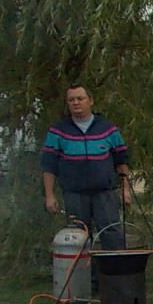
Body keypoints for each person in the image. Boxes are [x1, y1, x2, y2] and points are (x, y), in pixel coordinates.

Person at [41, 85, 132, 249]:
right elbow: (49, 166)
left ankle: (114, 265)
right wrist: (49, 196)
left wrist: (126, 189)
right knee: (78, 237)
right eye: (71, 100)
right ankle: (83, 266)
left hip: (104, 193)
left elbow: (121, 161)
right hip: (74, 194)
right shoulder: (58, 131)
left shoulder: (108, 129)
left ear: (90, 101)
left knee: (112, 233)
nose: (76, 103)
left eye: (80, 98)